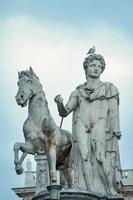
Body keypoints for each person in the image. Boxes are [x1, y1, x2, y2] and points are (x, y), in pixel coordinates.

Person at [54, 48, 121, 195]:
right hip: (82, 125)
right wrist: (59, 103)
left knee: (100, 157)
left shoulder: (109, 89)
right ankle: (90, 192)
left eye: (99, 66)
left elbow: (114, 112)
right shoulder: (78, 91)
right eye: (93, 65)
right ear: (86, 68)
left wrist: (116, 128)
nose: (96, 68)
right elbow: (64, 112)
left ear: (102, 69)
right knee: (84, 157)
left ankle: (110, 188)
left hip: (100, 123)